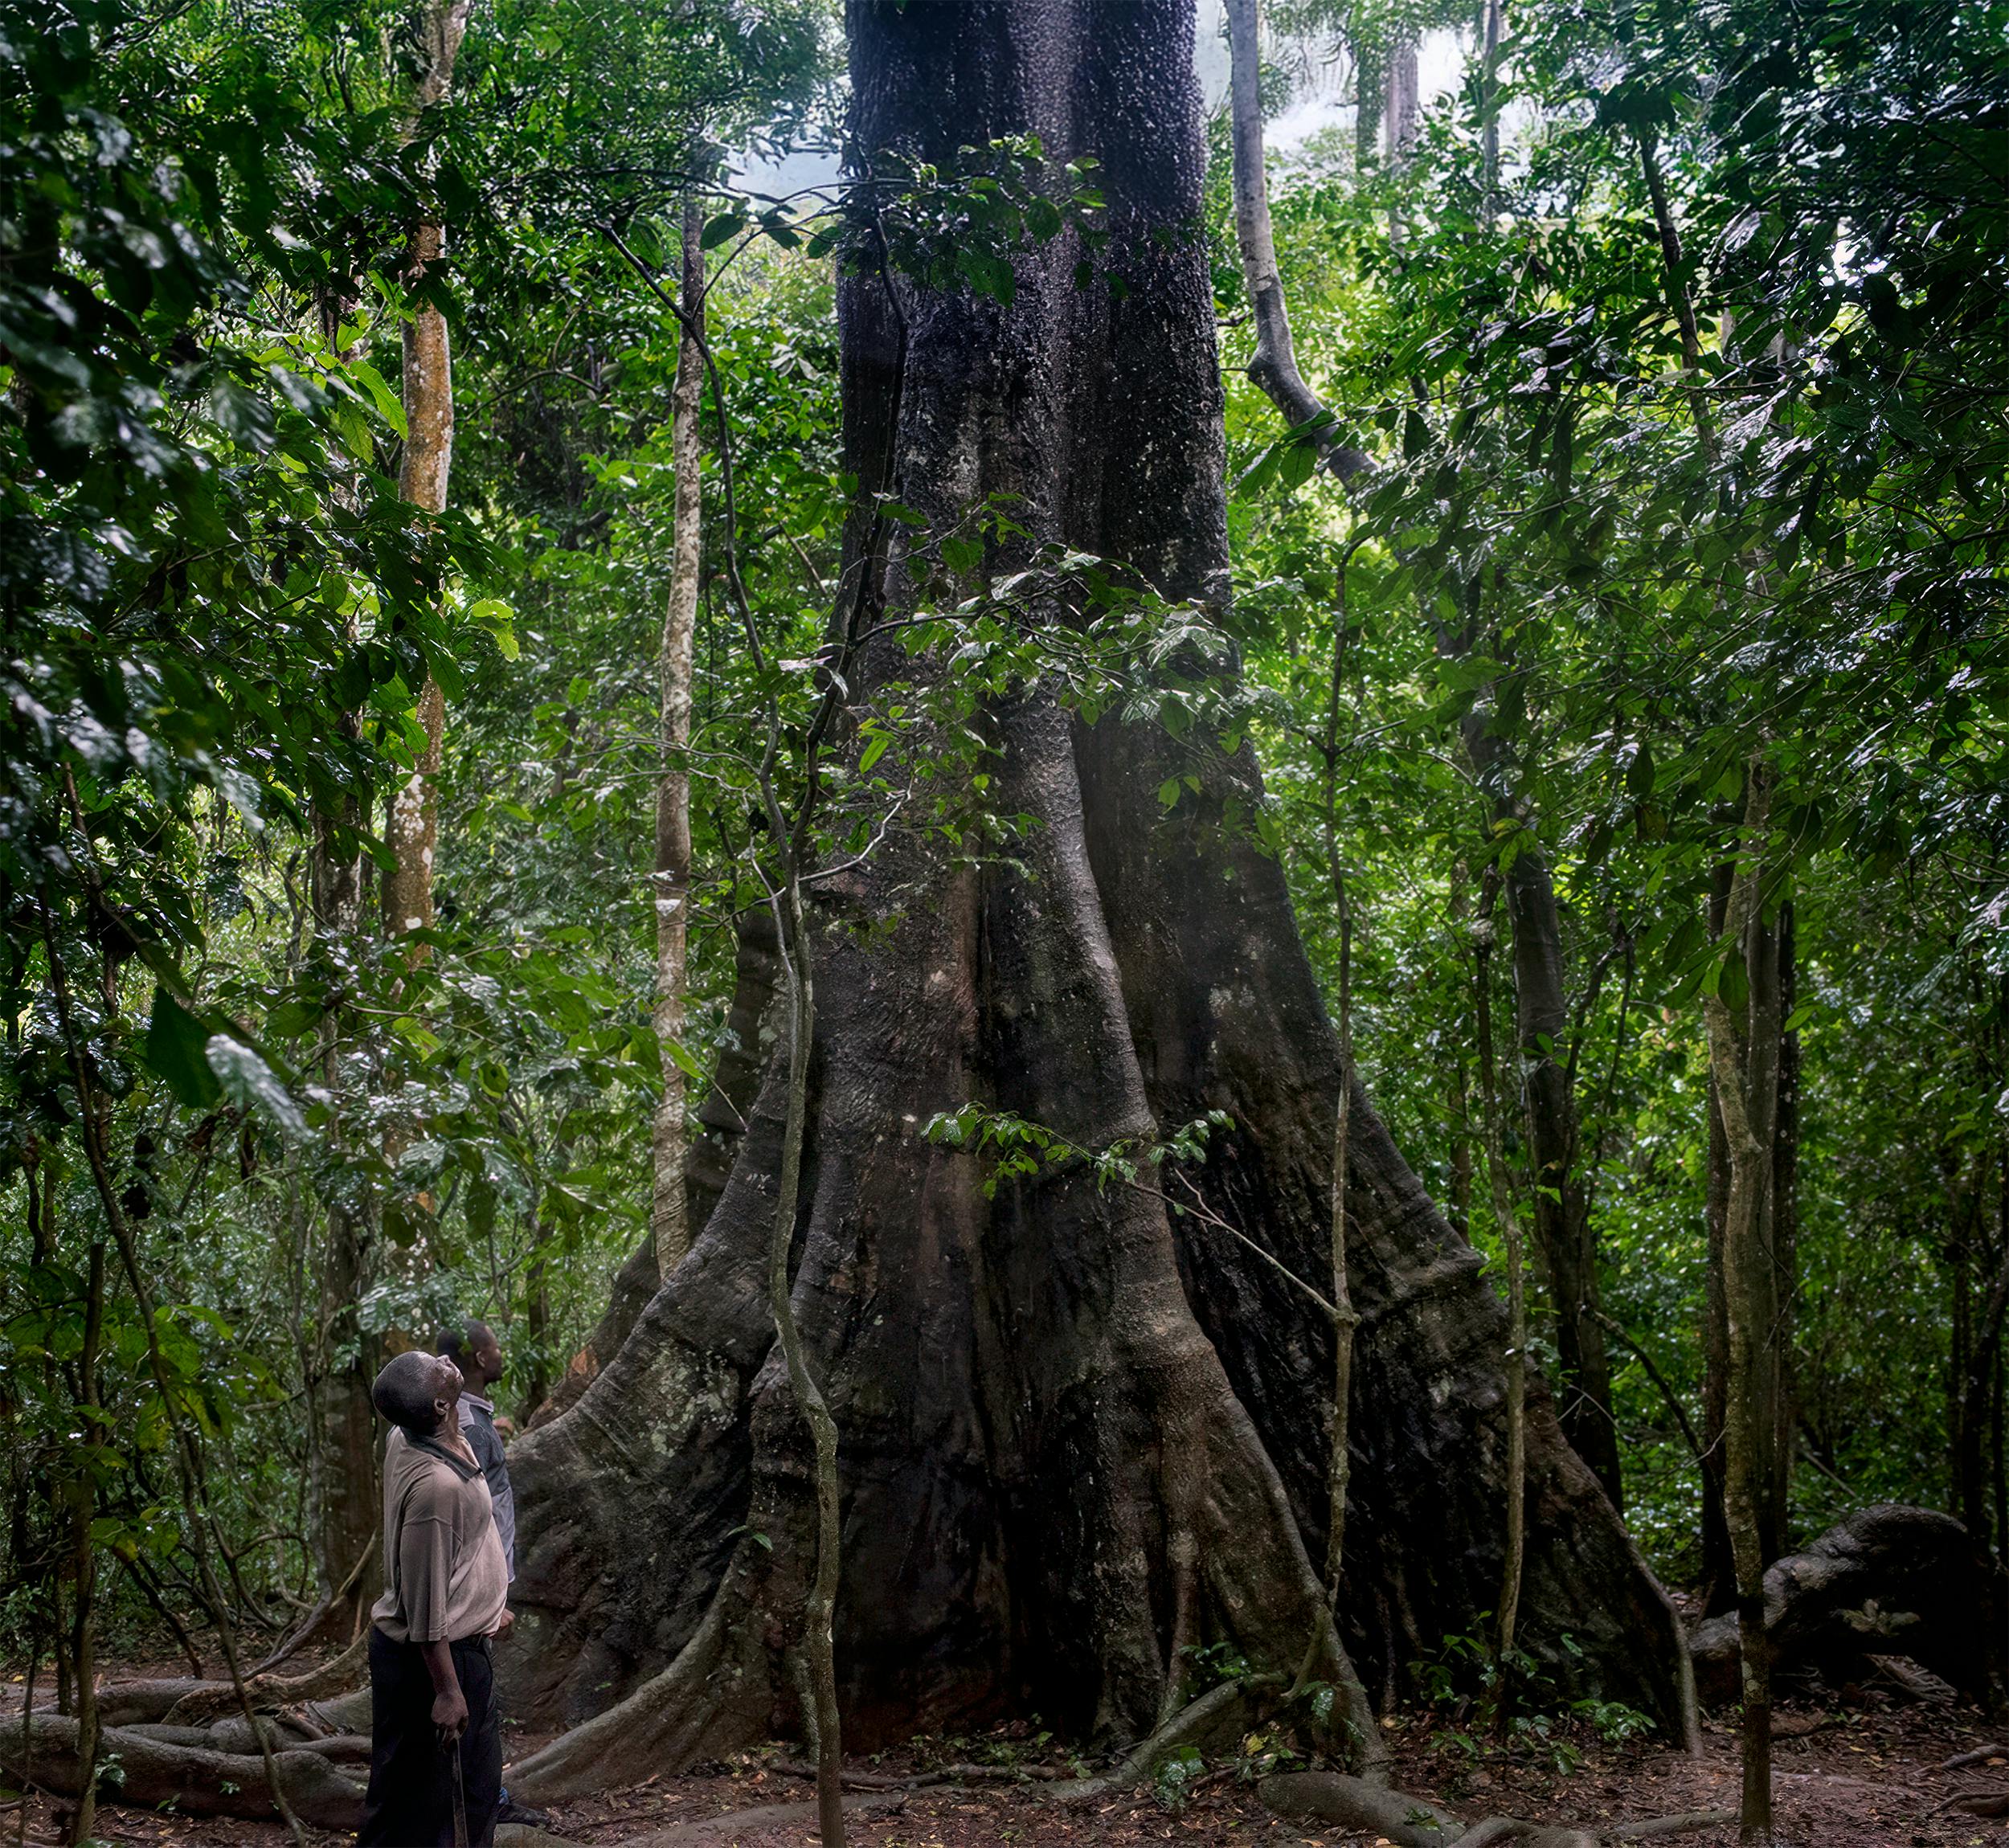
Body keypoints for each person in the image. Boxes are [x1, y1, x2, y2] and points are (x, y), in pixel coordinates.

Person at [362, 1349, 510, 1848]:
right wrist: (448, 1690)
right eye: (438, 1367)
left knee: (411, 1795)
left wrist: (488, 1603)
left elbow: (462, 1548)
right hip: (436, 1660)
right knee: (451, 1804)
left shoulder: (411, 1434)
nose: (447, 1359)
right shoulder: (435, 1489)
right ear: (441, 1407)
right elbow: (423, 1602)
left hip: (448, 1646)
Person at [434, 1321, 548, 1831]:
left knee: (475, 1700)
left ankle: (472, 1801)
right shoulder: (469, 1429)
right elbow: (472, 1519)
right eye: (495, 1347)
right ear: (479, 1359)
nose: (501, 1354)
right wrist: (492, 1597)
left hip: (471, 1592)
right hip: (471, 1595)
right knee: (474, 1704)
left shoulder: (470, 1420)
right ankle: (481, 1807)